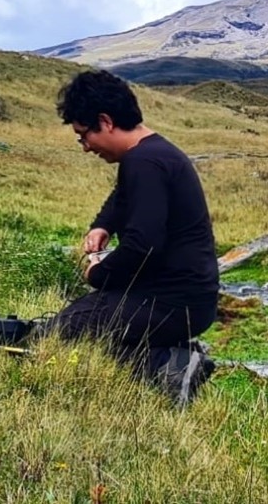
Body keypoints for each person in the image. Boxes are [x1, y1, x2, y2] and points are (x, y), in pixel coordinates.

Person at [49, 69, 219, 402]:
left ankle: (170, 365)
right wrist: (103, 226)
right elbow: (124, 197)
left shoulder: (145, 163)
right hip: (183, 301)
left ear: (106, 121)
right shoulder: (149, 153)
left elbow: (144, 245)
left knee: (59, 335)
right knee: (75, 321)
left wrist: (98, 273)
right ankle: (167, 355)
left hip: (171, 304)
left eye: (84, 136)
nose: (85, 147)